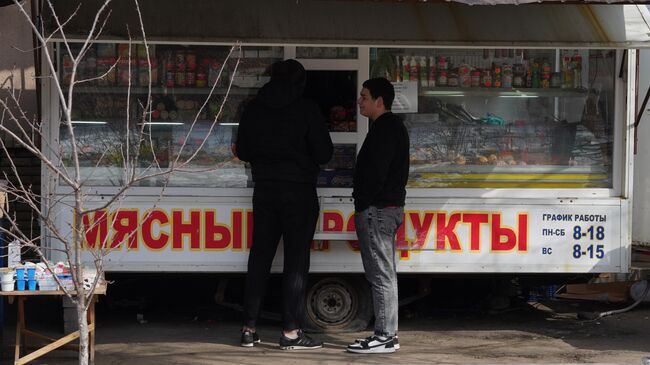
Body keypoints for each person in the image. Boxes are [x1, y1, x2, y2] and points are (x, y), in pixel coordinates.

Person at [235, 59, 333, 350]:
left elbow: (242, 150)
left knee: (260, 257)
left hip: (264, 190)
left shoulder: (253, 108)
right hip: (299, 193)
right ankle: (291, 332)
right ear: (300, 82)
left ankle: (249, 328)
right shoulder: (307, 109)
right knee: (296, 261)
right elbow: (325, 153)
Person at [346, 78, 409, 354]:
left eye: (364, 96)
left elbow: (376, 173)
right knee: (385, 273)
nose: (359, 101)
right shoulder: (389, 127)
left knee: (381, 275)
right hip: (384, 210)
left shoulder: (385, 129)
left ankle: (384, 336)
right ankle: (387, 335)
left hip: (378, 211)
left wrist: (363, 203)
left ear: (379, 101)